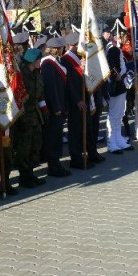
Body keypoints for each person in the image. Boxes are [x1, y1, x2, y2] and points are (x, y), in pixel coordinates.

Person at [14, 48, 47, 187]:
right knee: (24, 147)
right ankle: (24, 176)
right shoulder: (21, 75)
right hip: (24, 116)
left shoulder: (36, 73)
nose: (40, 62)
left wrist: (44, 110)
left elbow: (40, 94)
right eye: (39, 60)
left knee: (35, 145)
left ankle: (31, 173)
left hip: (35, 115)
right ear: (33, 61)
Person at [60, 32, 94, 169]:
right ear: (74, 45)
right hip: (75, 101)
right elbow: (69, 84)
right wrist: (77, 100)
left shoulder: (79, 57)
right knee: (75, 130)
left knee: (84, 128)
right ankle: (75, 158)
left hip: (83, 97)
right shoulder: (66, 60)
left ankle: (85, 154)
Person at [40, 36, 71, 177]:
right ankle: (53, 166)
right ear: (55, 49)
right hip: (54, 109)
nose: (63, 49)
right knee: (53, 137)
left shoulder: (56, 62)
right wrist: (57, 107)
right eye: (61, 48)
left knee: (57, 136)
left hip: (60, 105)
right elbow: (50, 88)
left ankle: (56, 163)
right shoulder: (47, 63)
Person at [105, 40, 134, 153]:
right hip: (115, 86)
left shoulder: (117, 49)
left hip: (120, 85)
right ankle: (111, 141)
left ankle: (118, 138)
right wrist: (115, 75)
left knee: (120, 113)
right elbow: (110, 65)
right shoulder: (114, 49)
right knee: (114, 115)